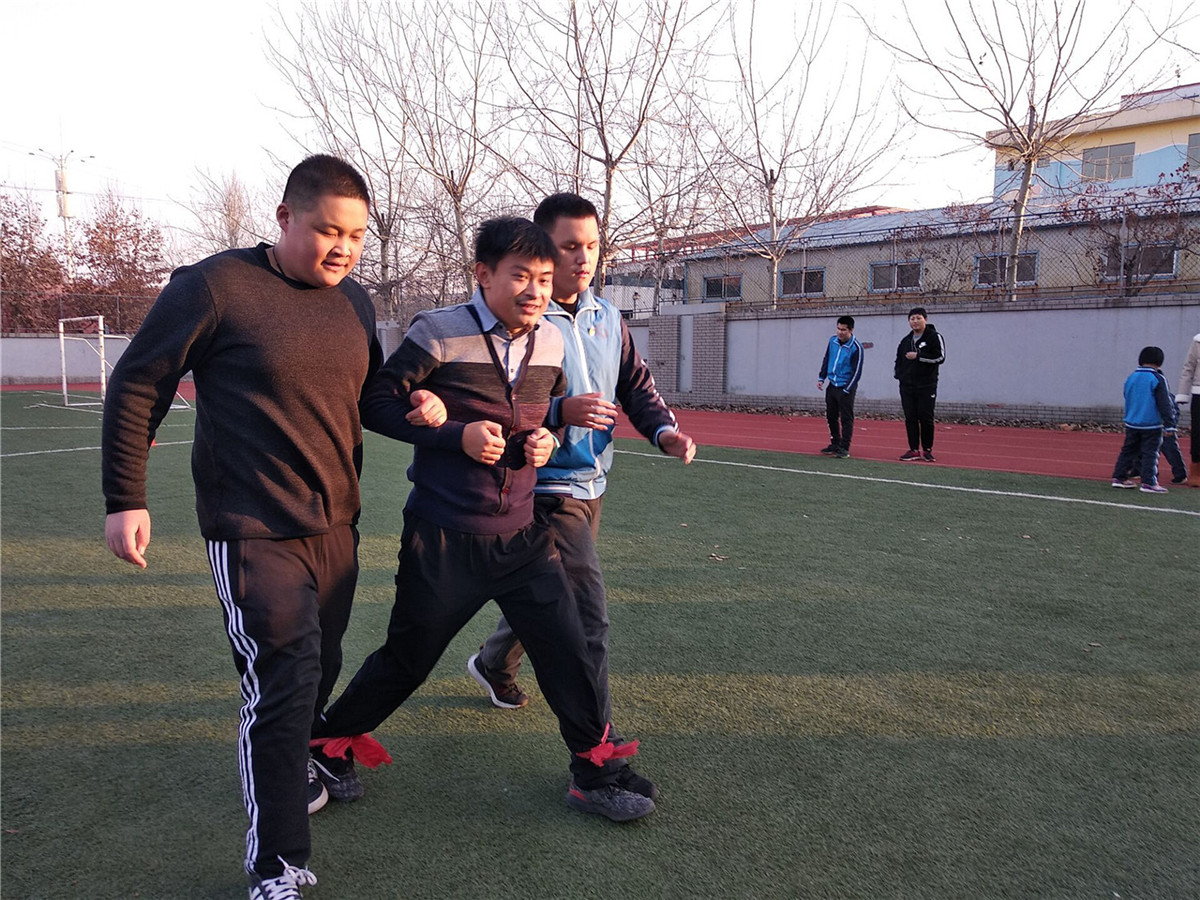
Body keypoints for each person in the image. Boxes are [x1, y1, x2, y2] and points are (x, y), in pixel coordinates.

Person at [101, 155, 420, 900]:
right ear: (284, 219)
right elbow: (138, 381)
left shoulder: (357, 303)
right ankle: (277, 864)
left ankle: (298, 759)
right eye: (326, 231)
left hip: (336, 527)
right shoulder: (215, 287)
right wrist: (125, 497)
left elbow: (371, 397)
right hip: (250, 530)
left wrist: (430, 416)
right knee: (281, 682)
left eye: (356, 236)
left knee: (321, 666)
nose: (342, 248)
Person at [309, 216, 656, 823]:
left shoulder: (549, 339)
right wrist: (450, 433)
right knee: (407, 660)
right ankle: (327, 747)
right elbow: (376, 404)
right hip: (444, 538)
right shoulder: (438, 331)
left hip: (523, 535)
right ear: (483, 274)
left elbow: (529, 416)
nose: (536, 290)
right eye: (521, 275)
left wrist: (544, 437)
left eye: (545, 279)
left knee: (568, 650)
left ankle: (594, 772)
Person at [468, 195, 695, 805]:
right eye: (569, 246)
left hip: (591, 485)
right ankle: (597, 762)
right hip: (542, 489)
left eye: (591, 245)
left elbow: (635, 386)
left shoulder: (605, 316)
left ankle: (493, 663)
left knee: (543, 598)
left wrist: (665, 431)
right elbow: (495, 403)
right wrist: (556, 411)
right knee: (586, 619)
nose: (583, 258)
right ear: (541, 249)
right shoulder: (524, 322)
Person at [1110, 346, 1175, 494]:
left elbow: (1127, 395)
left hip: (1132, 421)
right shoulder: (1158, 378)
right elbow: (1164, 402)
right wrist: (1169, 425)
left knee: (1128, 451)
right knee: (1150, 453)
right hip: (1151, 423)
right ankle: (1148, 482)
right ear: (1159, 362)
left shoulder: (1131, 377)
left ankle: (1119, 477)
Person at [894, 306, 945, 461]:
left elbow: (940, 357)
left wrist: (919, 356)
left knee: (926, 417)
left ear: (925, 319)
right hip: (907, 386)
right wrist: (899, 375)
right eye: (912, 318)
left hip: (926, 385)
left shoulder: (934, 337)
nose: (915, 321)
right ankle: (913, 449)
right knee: (910, 417)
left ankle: (927, 450)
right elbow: (899, 360)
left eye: (918, 318)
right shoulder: (906, 340)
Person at [817, 315, 864, 459]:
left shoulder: (856, 347)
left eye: (843, 330)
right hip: (832, 385)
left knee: (846, 418)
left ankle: (844, 447)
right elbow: (827, 359)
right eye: (838, 328)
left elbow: (857, 371)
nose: (840, 332)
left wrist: (847, 389)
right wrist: (821, 377)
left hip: (846, 387)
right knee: (831, 416)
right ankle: (835, 443)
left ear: (850, 330)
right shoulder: (832, 341)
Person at [1176, 330, 1199, 487]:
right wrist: (1182, 393)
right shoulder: (1198, 341)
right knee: (1198, 432)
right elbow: (1188, 368)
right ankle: (1196, 470)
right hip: (1199, 393)